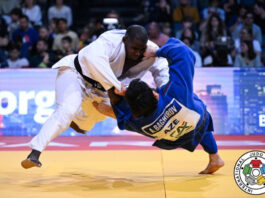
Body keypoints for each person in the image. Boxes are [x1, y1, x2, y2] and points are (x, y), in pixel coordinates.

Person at [21, 25, 169, 169]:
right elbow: (91, 58)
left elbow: (162, 68)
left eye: (141, 49)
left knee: (98, 115)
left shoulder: (152, 52)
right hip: (76, 74)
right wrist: (116, 85)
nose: (137, 53)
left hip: (102, 90)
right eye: (134, 48)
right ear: (125, 40)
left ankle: (78, 122)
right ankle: (35, 153)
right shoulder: (110, 40)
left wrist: (166, 93)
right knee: (67, 110)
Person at [108, 38, 224, 174]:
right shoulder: (175, 93)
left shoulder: (134, 121)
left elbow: (114, 112)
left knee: (120, 114)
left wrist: (115, 93)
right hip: (196, 120)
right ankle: (214, 155)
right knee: (191, 106)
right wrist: (157, 52)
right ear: (155, 95)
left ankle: (216, 158)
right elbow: (183, 52)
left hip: (173, 140)